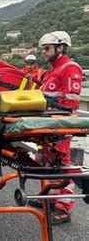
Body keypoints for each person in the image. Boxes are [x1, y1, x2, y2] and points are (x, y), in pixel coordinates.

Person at [33, 31, 83, 225]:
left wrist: (56, 119)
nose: (44, 52)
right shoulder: (51, 71)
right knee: (48, 163)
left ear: (61, 47)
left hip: (60, 127)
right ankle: (52, 199)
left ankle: (64, 208)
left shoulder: (70, 68)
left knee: (61, 166)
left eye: (47, 48)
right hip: (47, 126)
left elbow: (71, 104)